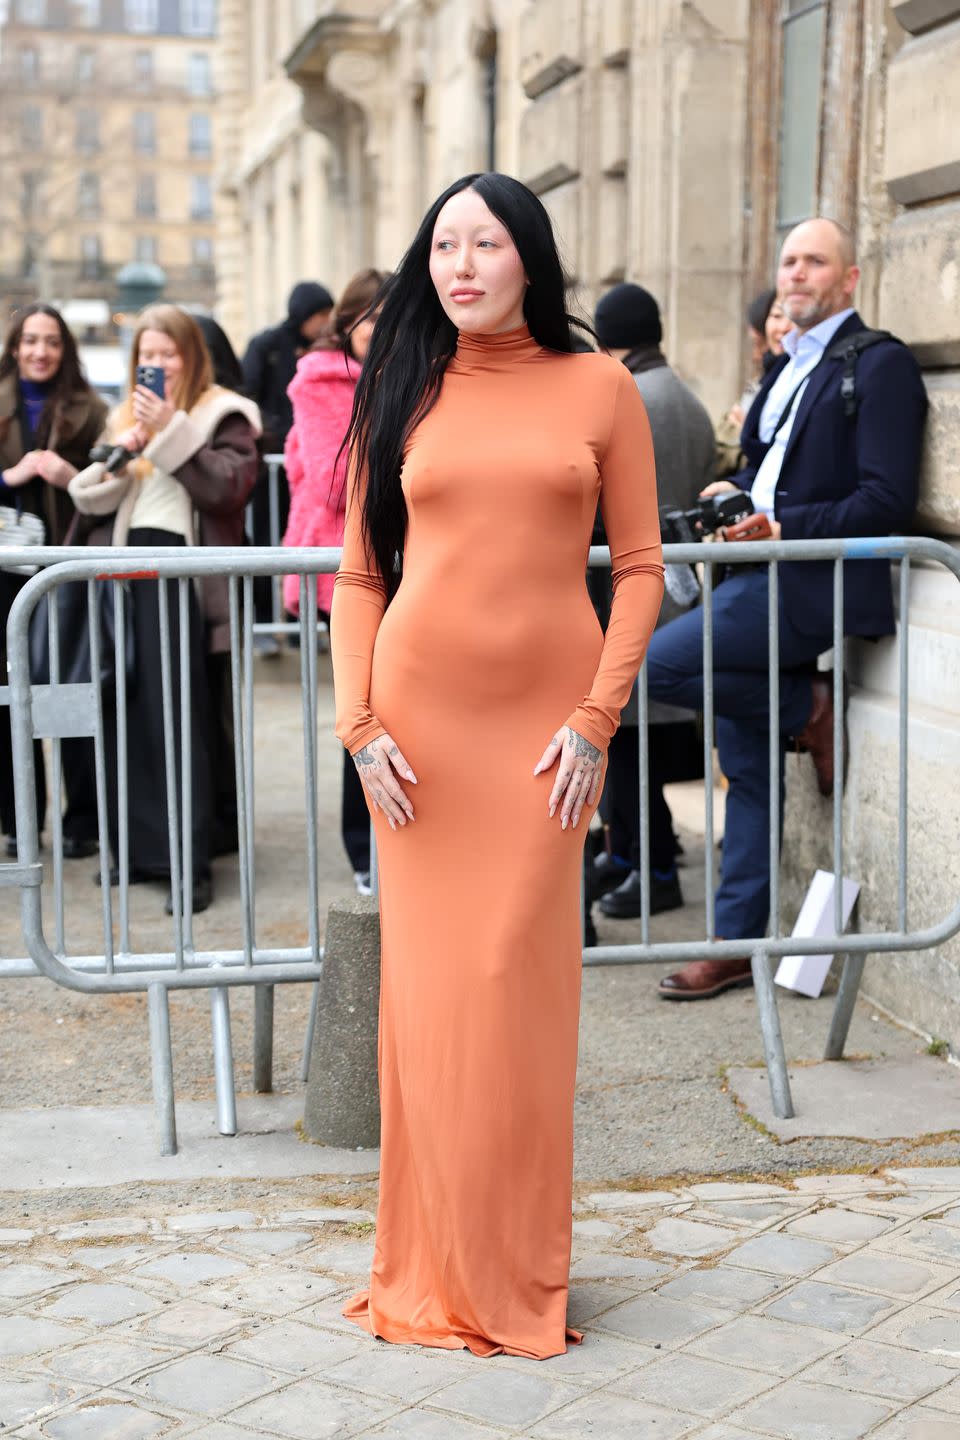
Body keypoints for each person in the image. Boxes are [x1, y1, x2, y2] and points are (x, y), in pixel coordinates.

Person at [330, 172, 663, 1358]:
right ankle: (427, 1268)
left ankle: (518, 1273)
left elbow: (637, 567)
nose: (461, 264)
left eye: (487, 242)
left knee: (512, 999)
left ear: (531, 255)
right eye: (444, 245)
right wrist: (357, 727)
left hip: (545, 745)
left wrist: (596, 718)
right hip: (418, 740)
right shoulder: (400, 387)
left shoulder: (601, 386)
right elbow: (360, 577)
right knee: (430, 1010)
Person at [647, 217, 927, 1000]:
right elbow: (778, 478)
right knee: (746, 765)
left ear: (849, 280)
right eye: (788, 262)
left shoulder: (880, 367)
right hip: (754, 570)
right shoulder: (790, 366)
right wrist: (736, 498)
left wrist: (782, 524)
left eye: (814, 262)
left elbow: (885, 499)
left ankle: (807, 700)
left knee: (653, 664)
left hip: (808, 581)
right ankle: (740, 943)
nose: (796, 274)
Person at [69, 305, 261, 911]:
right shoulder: (123, 416)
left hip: (184, 576)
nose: (155, 365)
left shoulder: (222, 411)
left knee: (180, 722)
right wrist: (123, 449)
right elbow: (87, 500)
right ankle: (132, 852)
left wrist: (172, 429)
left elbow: (228, 487)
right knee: (126, 719)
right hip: (127, 574)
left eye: (167, 353)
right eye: (146, 355)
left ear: (191, 355)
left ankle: (189, 865)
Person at [588, 282, 715, 923]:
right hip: (672, 585)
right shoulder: (684, 393)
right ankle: (636, 856)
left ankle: (654, 867)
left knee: (631, 746)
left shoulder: (632, 392)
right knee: (638, 744)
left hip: (641, 588)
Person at [282, 267, 388, 895]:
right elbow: (332, 475)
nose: (382, 331)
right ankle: (365, 849)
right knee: (364, 710)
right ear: (348, 322)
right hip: (344, 568)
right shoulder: (320, 379)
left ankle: (397, 838)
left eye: (392, 318)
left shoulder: (417, 372)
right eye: (372, 318)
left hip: (407, 562)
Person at [0, 303, 107, 858]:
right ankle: (17, 821)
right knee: (4, 699)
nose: (40, 351)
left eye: (52, 342)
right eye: (30, 341)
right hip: (2, 567)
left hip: (63, 565)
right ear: (15, 347)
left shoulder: (91, 410)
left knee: (65, 692)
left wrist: (72, 478)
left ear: (65, 350)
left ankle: (81, 821)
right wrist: (8, 476)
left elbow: (108, 486)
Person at [242, 282, 334, 653]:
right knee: (268, 540)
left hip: (307, 467)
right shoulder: (265, 346)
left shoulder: (323, 350)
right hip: (272, 467)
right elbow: (248, 395)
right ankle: (266, 620)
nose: (325, 322)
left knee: (308, 544)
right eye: (320, 315)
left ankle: (304, 621)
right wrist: (278, 433)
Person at [716, 289, 792, 478]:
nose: (755, 355)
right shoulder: (769, 379)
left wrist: (745, 429)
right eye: (776, 316)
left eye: (759, 344)